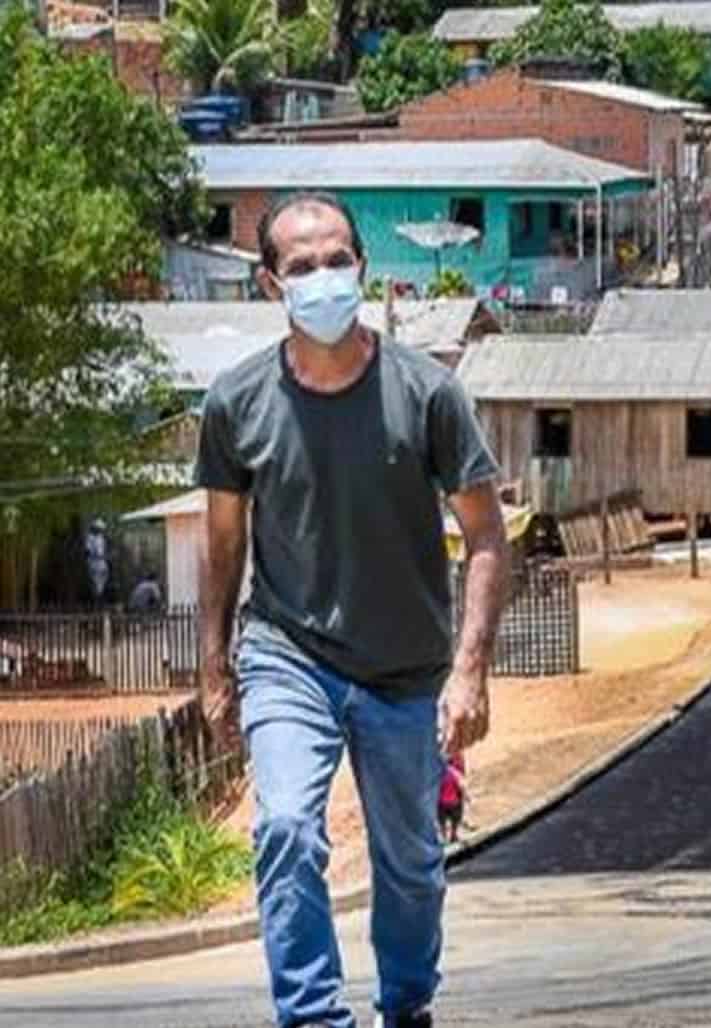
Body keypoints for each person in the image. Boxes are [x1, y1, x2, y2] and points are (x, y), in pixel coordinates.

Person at [195, 191, 509, 1028]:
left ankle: (407, 1006)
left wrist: (469, 672)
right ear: (271, 285)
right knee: (287, 830)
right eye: (302, 266)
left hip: (405, 669)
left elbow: (486, 535)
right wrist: (214, 666)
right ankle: (312, 1016)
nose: (324, 277)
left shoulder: (428, 394)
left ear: (363, 269)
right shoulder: (236, 403)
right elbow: (222, 544)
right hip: (286, 654)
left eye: (338, 259)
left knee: (410, 865)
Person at [437, 751, 466, 844]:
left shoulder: (436, 774)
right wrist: (465, 797)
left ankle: (444, 838)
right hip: (454, 802)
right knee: (455, 819)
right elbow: (461, 786)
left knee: (442, 822)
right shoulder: (454, 772)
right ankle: (453, 835)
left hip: (441, 804)